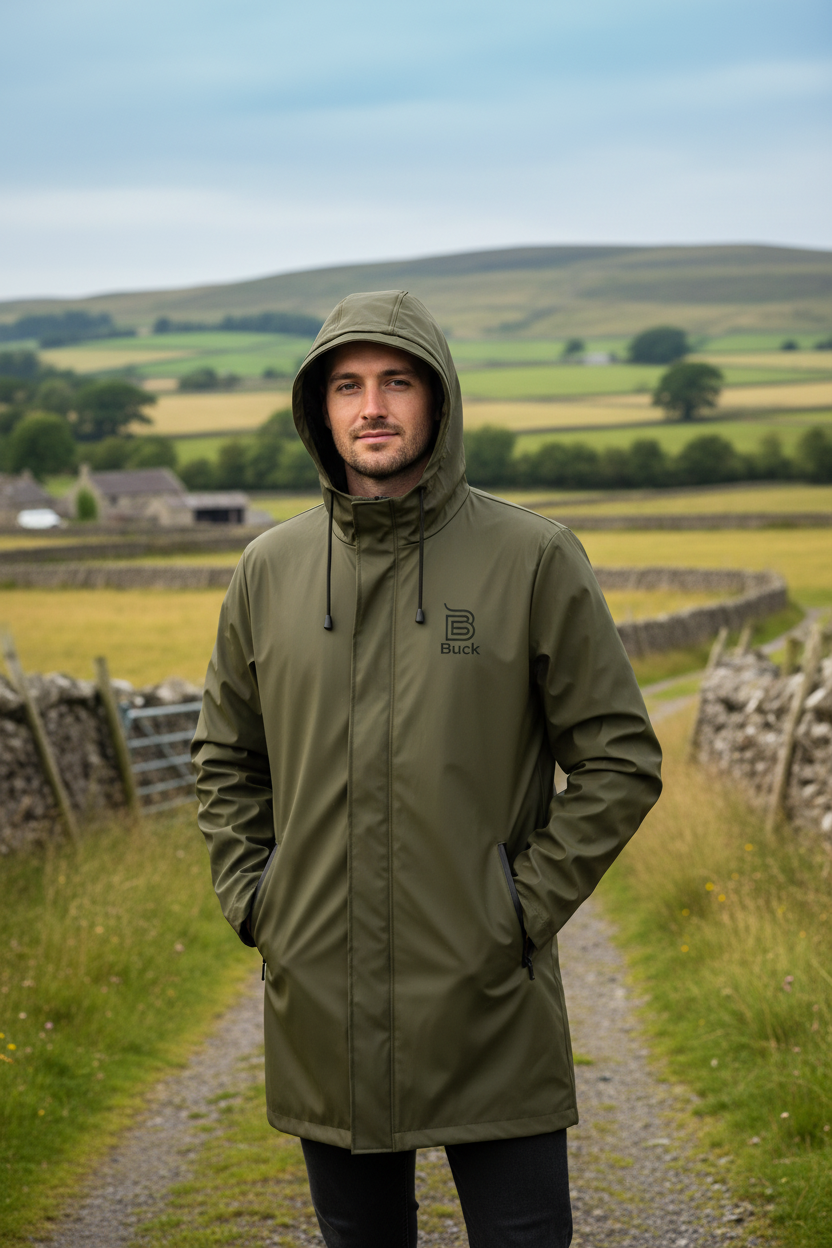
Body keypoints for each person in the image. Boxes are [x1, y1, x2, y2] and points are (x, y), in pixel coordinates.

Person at [192, 290, 662, 1247]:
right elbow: (225, 760)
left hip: (488, 997)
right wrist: (260, 899)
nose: (372, 406)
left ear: (439, 402)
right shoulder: (269, 571)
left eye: (397, 382)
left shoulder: (532, 558)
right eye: (348, 385)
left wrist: (517, 908)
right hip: (325, 999)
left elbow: (620, 758)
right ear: (318, 410)